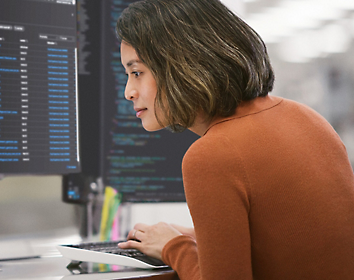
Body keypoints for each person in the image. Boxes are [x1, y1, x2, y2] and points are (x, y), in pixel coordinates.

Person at [114, 0, 354, 279]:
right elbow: (292, 244)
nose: (128, 92)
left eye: (137, 73)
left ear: (182, 64)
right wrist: (199, 237)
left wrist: (173, 246)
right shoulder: (306, 118)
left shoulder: (212, 155)